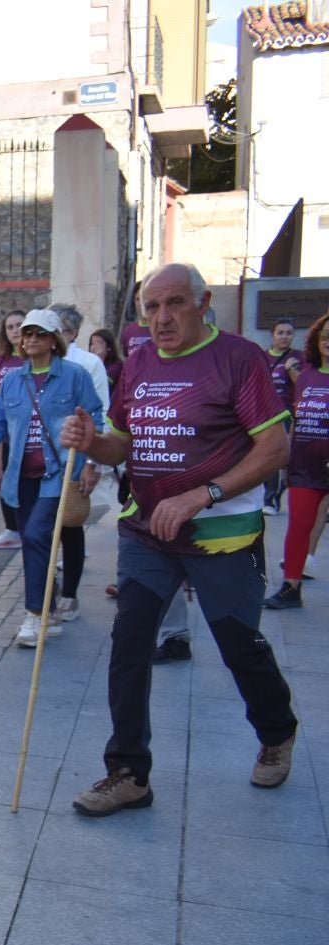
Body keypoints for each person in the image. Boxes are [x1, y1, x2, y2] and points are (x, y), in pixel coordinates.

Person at [59, 264, 298, 815]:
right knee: (129, 644)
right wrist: (93, 442)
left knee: (239, 645)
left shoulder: (240, 358)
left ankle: (276, 730)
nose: (162, 318)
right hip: (148, 530)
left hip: (223, 534)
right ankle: (127, 774)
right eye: (151, 307)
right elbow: (122, 443)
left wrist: (200, 495)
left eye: (175, 304)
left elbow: (274, 450)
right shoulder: (139, 360)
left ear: (202, 302)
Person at [0, 310, 104, 646]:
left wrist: (92, 465)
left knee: (38, 535)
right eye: (27, 334)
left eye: (39, 334)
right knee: (31, 539)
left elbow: (95, 420)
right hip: (21, 477)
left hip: (57, 473)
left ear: (54, 340)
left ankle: (35, 615)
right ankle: (49, 603)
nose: (30, 340)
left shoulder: (74, 375)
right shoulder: (13, 379)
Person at [264, 313, 329, 610]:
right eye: (324, 334)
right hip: (306, 465)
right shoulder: (305, 375)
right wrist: (286, 456)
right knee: (299, 526)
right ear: (316, 339)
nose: (328, 340)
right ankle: (291, 587)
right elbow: (296, 418)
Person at [0, 309, 29, 550]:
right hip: (6, 430)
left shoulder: (31, 357)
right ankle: (12, 530)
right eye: (10, 327)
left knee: (27, 483)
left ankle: (28, 530)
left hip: (27, 431)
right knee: (4, 478)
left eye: (19, 326)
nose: (14, 331)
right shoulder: (3, 359)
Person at [263, 318, 304, 516]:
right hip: (262, 414)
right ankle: (268, 496)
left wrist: (291, 369)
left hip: (285, 413)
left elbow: (304, 385)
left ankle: (272, 498)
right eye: (280, 333)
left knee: (279, 457)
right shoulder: (262, 357)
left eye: (289, 333)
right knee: (264, 457)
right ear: (272, 335)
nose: (284, 337)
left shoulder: (298, 358)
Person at [52, 303, 112, 416]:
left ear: (73, 333)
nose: (51, 336)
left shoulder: (90, 363)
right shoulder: (34, 362)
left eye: (57, 331)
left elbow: (102, 409)